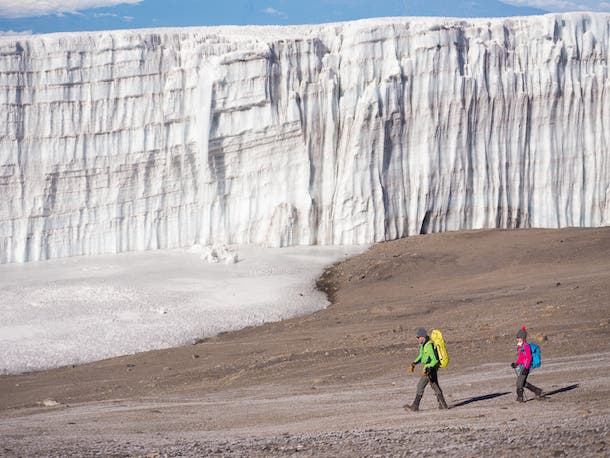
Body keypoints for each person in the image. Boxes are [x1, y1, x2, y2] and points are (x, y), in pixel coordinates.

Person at [404, 327, 449, 411]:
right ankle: (443, 405)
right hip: (430, 368)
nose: (417, 339)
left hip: (430, 369)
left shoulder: (429, 345)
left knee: (420, 385)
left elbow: (435, 359)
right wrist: (414, 363)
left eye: (418, 337)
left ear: (423, 336)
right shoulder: (423, 345)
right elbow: (421, 356)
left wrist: (428, 368)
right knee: (434, 385)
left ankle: (415, 406)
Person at [511, 326, 545, 402]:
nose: (517, 339)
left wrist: (526, 368)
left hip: (526, 367)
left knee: (519, 383)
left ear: (522, 338)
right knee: (522, 382)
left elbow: (529, 358)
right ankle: (537, 391)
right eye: (517, 337)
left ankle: (520, 397)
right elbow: (521, 358)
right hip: (522, 366)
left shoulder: (526, 346)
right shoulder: (521, 347)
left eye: (518, 337)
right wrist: (516, 364)